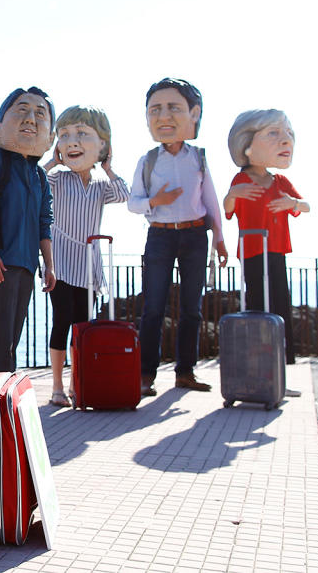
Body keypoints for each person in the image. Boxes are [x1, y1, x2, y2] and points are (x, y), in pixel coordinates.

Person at [127, 78, 228, 397]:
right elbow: (133, 202)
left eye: (173, 107)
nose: (164, 115)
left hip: (196, 235)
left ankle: (185, 373)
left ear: (192, 114)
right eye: (155, 109)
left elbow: (211, 200)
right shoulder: (148, 160)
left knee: (192, 308)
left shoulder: (198, 157)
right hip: (159, 235)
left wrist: (220, 238)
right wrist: (158, 201)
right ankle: (145, 376)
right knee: (153, 308)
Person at [42, 105, 128, 406]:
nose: (72, 142)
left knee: (83, 324)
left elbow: (124, 193)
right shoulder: (57, 180)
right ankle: (56, 386)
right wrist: (52, 162)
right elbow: (35, 181)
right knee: (62, 320)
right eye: (64, 135)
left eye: (82, 134)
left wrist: (108, 167)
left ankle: (79, 382)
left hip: (89, 265)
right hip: (61, 262)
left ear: (102, 144)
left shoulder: (102, 185)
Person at [0, 87, 56, 373]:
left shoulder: (40, 175)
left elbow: (45, 222)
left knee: (12, 337)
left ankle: (5, 391)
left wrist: (49, 265)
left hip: (26, 263)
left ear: (50, 137)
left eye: (40, 114)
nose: (31, 119)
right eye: (22, 110)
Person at [224, 109, 308, 368]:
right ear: (246, 145)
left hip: (276, 251)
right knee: (257, 304)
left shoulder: (280, 181)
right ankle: (258, 364)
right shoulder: (240, 179)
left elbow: (304, 206)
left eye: (288, 134)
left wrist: (291, 202)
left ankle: (282, 365)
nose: (285, 140)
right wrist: (233, 193)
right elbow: (228, 210)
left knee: (281, 304)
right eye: (273, 133)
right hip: (252, 251)